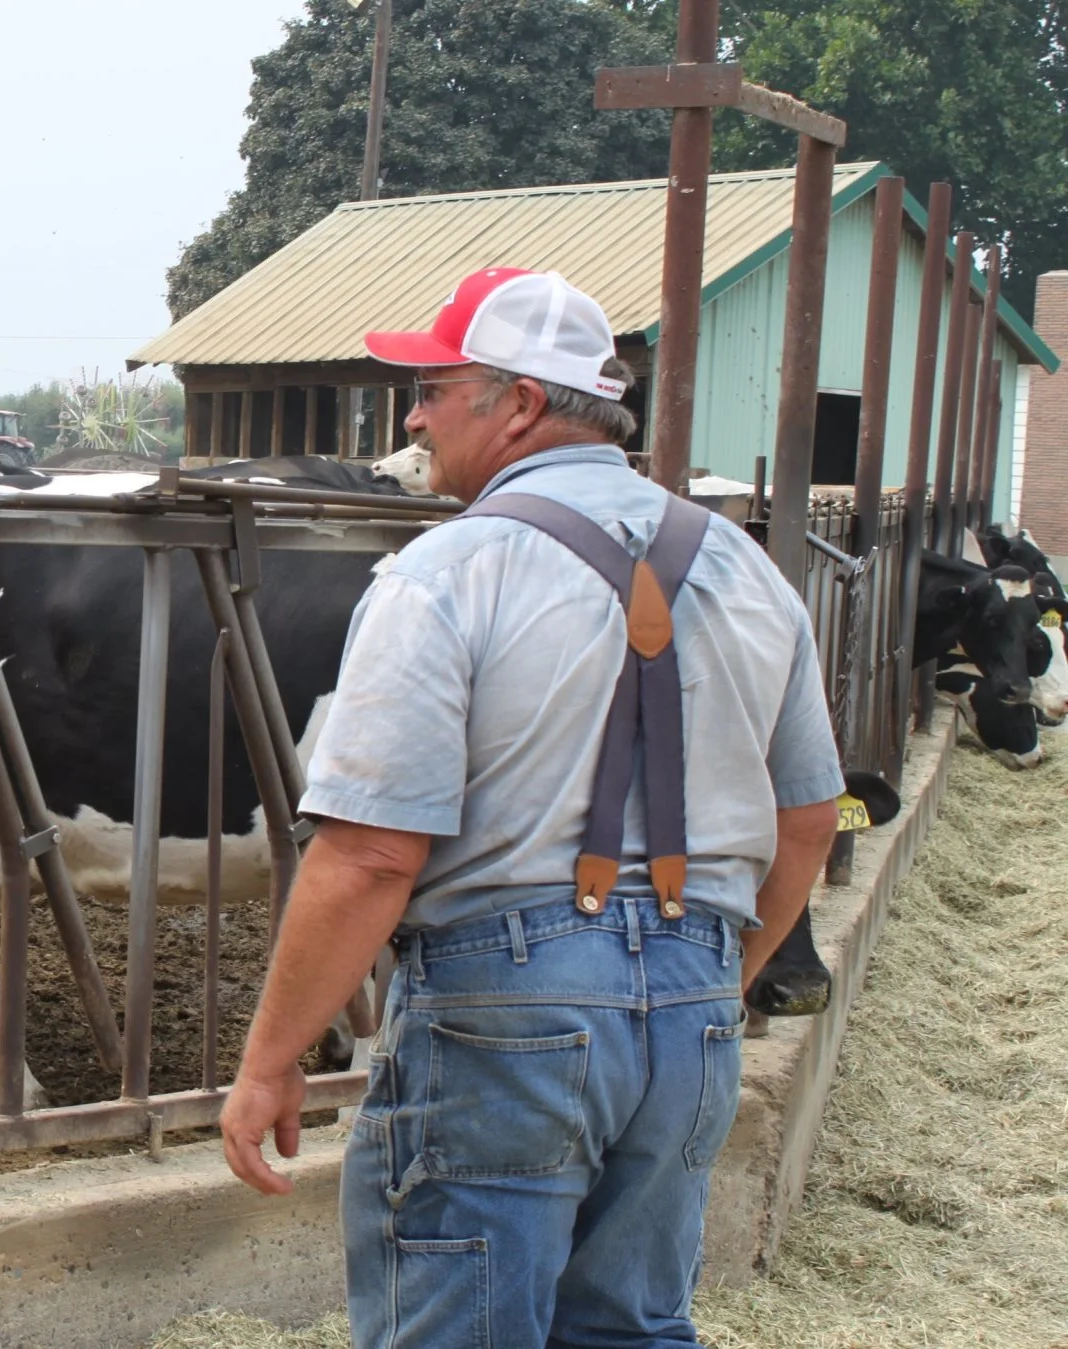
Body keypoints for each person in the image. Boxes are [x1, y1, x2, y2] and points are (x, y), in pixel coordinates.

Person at [219, 268, 845, 1346]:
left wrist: (271, 1058)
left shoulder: (443, 573)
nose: (412, 413)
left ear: (517, 404)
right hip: (693, 1008)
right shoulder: (749, 571)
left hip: (506, 1010)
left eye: (434, 386)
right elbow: (810, 821)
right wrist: (704, 980)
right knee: (631, 1328)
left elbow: (369, 853)